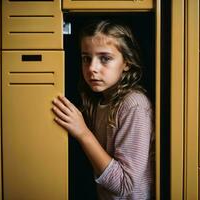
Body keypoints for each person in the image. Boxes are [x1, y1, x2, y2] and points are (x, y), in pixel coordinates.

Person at [52, 20, 155, 200]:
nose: (92, 68)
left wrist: (83, 133)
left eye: (105, 58)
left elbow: (124, 184)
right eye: (86, 58)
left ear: (127, 63)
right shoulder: (99, 100)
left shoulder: (134, 104)